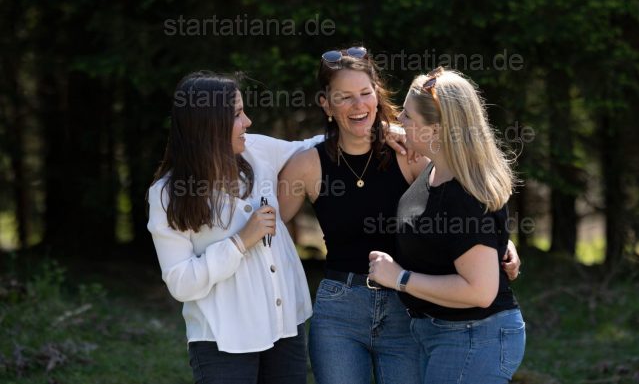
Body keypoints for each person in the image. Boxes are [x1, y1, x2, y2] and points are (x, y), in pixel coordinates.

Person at [278, 49, 521, 384]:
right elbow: (269, 229)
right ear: (326, 104)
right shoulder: (308, 164)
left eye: (365, 93)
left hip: (406, 306)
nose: (358, 105)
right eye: (344, 97)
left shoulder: (410, 151)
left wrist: (500, 243)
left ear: (377, 96)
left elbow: (467, 199)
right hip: (340, 309)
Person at [147, 71, 324, 384]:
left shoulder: (256, 152)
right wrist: (240, 243)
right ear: (209, 125)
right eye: (237, 114)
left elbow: (313, 148)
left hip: (285, 327)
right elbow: (180, 283)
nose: (248, 122)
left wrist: (383, 131)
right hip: (222, 341)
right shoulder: (168, 194)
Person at [367, 67, 526, 384]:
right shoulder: (436, 170)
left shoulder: (463, 195)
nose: (400, 122)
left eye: (408, 116)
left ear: (436, 130)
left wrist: (399, 278)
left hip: (473, 336)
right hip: (443, 333)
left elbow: (480, 291)